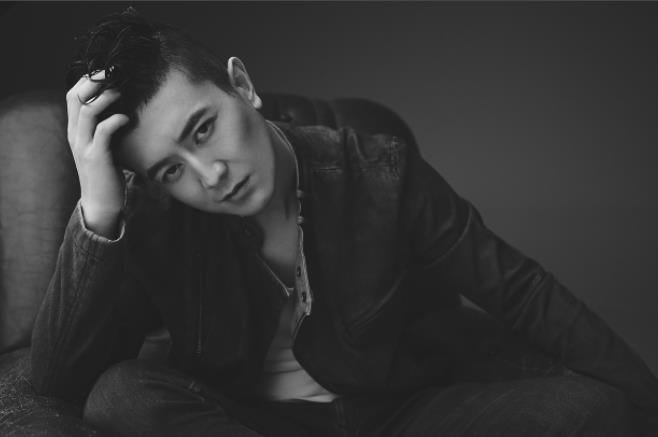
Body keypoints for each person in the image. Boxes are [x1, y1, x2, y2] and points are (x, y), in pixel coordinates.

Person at [30, 7, 658, 437]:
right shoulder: (155, 217)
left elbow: (520, 291)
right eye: (172, 169)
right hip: (250, 422)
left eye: (203, 129)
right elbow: (61, 386)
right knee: (121, 395)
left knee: (591, 408)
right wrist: (99, 210)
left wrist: (648, 403)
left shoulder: (380, 172)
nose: (210, 174)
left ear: (242, 86)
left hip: (394, 414)